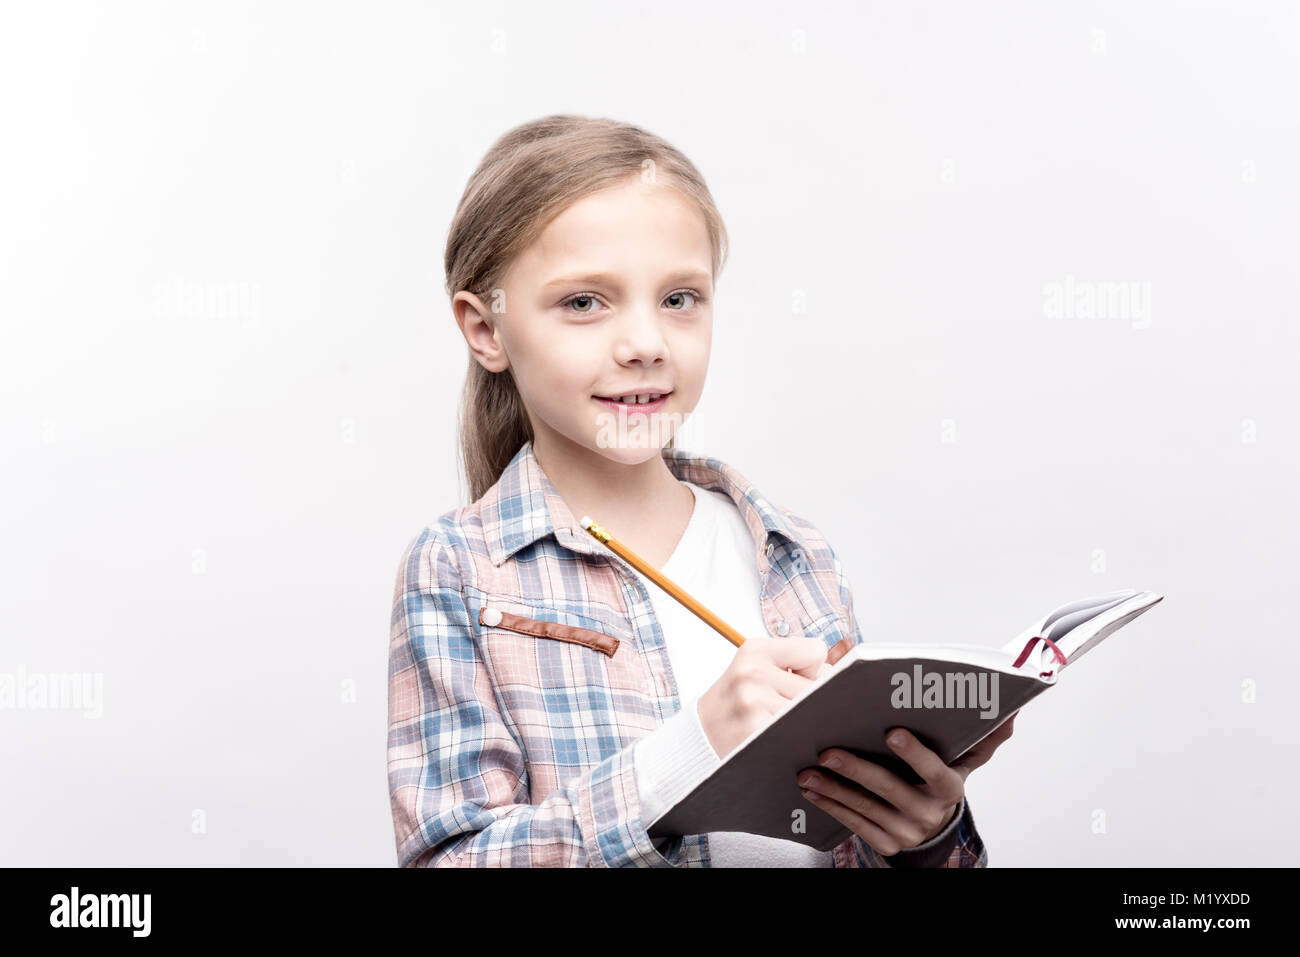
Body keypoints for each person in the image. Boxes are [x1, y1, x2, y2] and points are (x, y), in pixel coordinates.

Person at [386, 114, 1014, 867]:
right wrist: (686, 756)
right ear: (485, 328)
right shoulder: (458, 569)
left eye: (679, 299)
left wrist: (927, 835)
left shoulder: (794, 554)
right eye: (585, 301)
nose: (647, 342)